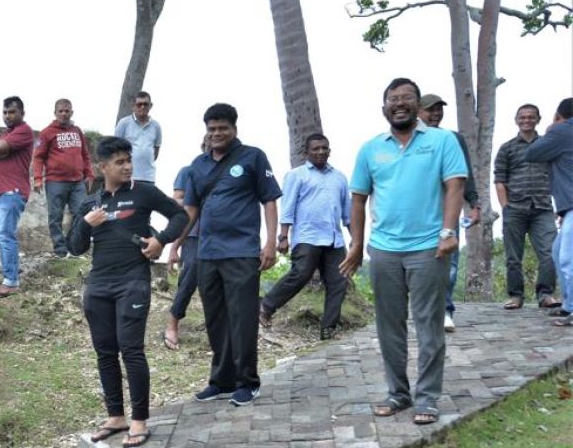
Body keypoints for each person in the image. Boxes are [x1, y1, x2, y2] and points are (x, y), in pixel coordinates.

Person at [339, 77, 467, 425]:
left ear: (417, 105)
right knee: (389, 326)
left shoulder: (442, 141)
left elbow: (455, 185)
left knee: (429, 326)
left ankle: (427, 398)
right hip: (384, 250)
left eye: (407, 98)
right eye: (393, 99)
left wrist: (448, 231)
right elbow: (358, 198)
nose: (400, 103)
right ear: (384, 108)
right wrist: (356, 245)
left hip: (430, 248)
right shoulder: (370, 149)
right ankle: (398, 393)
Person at [68, 137, 188, 448]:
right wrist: (85, 223)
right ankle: (116, 416)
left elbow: (180, 216)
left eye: (128, 160)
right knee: (105, 351)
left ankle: (139, 420)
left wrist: (161, 241)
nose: (127, 166)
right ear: (102, 167)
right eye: (119, 162)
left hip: (132, 281)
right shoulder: (90, 203)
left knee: (131, 349)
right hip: (98, 285)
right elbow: (74, 247)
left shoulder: (143, 192)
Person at [173, 103, 280, 407]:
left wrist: (270, 242)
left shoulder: (253, 157)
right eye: (212, 129)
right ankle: (221, 380)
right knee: (216, 319)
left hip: (243, 252)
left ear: (234, 129)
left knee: (243, 318)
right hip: (207, 252)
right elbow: (191, 209)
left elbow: (270, 200)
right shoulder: (197, 165)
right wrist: (177, 243)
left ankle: (248, 381)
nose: (217, 134)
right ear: (206, 131)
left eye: (223, 128)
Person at [258, 134, 351, 340]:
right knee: (300, 274)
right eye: (316, 148)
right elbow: (288, 206)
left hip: (334, 239)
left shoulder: (340, 178)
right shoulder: (296, 175)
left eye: (324, 148)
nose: (320, 152)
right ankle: (265, 306)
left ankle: (329, 329)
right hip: (307, 237)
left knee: (339, 282)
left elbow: (347, 213)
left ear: (329, 151)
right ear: (306, 152)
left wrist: (355, 240)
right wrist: (283, 236)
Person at [417, 94, 482, 331]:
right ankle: (424, 308)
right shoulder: (407, 138)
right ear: (417, 112)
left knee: (449, 263)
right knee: (418, 262)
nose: (435, 114)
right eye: (429, 110)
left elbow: (465, 176)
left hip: (448, 209)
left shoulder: (453, 138)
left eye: (439, 110)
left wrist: (474, 204)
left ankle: (445, 310)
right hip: (417, 212)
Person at [495, 103, 557, 310]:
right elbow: (499, 180)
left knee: (549, 253)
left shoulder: (548, 145)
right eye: (522, 117)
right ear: (516, 120)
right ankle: (515, 296)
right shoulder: (507, 148)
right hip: (515, 209)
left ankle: (546, 294)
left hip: (543, 208)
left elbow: (559, 174)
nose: (526, 120)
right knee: (513, 257)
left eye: (531, 117)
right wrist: (505, 207)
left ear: (538, 120)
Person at [525, 98, 573, 326]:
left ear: (559, 114)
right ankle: (568, 306)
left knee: (567, 259)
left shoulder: (562, 130)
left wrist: (552, 127)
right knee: (557, 253)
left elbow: (532, 152)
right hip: (568, 207)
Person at [0, 96, 34, 297]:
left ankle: (11, 281)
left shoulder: (24, 131)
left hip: (11, 191)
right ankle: (10, 273)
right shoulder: (6, 134)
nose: (7, 116)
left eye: (12, 112)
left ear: (22, 113)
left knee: (5, 234)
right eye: (5, 112)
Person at [162, 136, 208, 350]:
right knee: (190, 277)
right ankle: (173, 323)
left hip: (223, 236)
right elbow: (177, 201)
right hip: (193, 234)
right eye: (208, 144)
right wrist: (174, 246)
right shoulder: (189, 171)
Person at [33, 99, 93, 257]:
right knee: (55, 217)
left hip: (77, 182)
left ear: (71, 112)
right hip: (56, 181)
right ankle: (60, 250)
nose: (64, 114)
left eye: (67, 111)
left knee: (82, 214)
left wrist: (89, 173)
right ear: (55, 113)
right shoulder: (47, 132)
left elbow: (85, 155)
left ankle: (75, 247)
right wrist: (38, 178)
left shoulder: (77, 131)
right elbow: (38, 157)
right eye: (61, 111)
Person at [114, 91, 162, 183]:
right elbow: (115, 149)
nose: (142, 107)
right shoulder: (124, 124)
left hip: (148, 178)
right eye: (139, 104)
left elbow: (155, 151)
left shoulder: (156, 126)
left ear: (150, 106)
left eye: (145, 104)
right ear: (133, 106)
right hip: (127, 177)